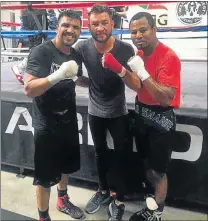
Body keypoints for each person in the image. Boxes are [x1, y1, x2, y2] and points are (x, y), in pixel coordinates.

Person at [101, 11, 181, 221]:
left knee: (158, 172)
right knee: (146, 164)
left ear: (154, 29)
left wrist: (143, 71)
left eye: (143, 30)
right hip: (142, 113)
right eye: (133, 31)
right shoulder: (139, 54)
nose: (138, 35)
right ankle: (150, 198)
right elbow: (137, 86)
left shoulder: (168, 57)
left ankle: (157, 211)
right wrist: (120, 70)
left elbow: (165, 98)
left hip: (161, 118)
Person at [75, 4, 141, 221]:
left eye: (104, 22)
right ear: (89, 25)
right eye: (95, 23)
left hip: (118, 111)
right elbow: (73, 72)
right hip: (95, 110)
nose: (100, 28)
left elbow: (136, 84)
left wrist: (119, 69)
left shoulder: (125, 49)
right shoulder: (83, 48)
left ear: (113, 23)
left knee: (121, 154)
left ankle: (119, 199)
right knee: (100, 152)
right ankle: (103, 191)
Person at [24, 10, 84, 221]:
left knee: (66, 165)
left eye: (76, 27)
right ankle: (43, 217)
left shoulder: (75, 55)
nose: (71, 30)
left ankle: (62, 199)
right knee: (45, 176)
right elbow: (29, 89)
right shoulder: (41, 52)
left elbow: (77, 78)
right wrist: (57, 75)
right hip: (46, 122)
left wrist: (101, 79)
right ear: (57, 27)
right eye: (66, 25)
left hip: (68, 118)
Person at [11, 1, 48, 85]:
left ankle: (31, 72)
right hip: (37, 10)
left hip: (28, 10)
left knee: (36, 43)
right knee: (40, 44)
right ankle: (20, 67)